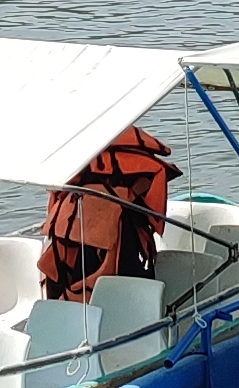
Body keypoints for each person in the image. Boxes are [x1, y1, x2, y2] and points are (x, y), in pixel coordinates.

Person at [41, 124, 175, 299]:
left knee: (71, 268)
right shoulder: (138, 167)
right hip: (111, 222)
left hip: (75, 220)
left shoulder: (73, 166)